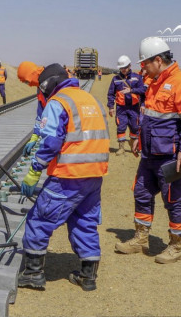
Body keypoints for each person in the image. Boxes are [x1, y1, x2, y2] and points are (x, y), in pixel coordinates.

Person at [17, 63, 110, 291]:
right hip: (94, 175)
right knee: (84, 221)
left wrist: (33, 171)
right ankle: (88, 276)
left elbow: (51, 142)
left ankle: (33, 273)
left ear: (49, 85)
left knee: (39, 219)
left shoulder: (58, 102)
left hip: (68, 176)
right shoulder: (91, 101)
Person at [115, 37, 181, 264]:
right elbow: (151, 118)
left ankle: (176, 246)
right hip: (150, 154)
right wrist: (139, 140)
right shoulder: (154, 82)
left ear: (158, 60)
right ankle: (141, 238)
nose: (142, 67)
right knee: (141, 194)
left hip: (172, 156)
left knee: (174, 199)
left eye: (145, 63)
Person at [107, 55, 146, 156]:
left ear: (130, 65)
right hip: (121, 108)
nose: (123, 70)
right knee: (121, 126)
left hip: (134, 107)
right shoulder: (115, 79)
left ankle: (133, 145)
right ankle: (121, 148)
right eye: (121, 68)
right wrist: (111, 107)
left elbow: (143, 91)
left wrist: (132, 91)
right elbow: (111, 94)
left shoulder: (137, 77)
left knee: (134, 127)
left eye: (125, 67)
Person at [17, 61, 45, 157]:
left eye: (27, 81)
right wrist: (35, 136)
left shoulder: (50, 84)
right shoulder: (40, 87)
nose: (29, 85)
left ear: (31, 74)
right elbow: (40, 113)